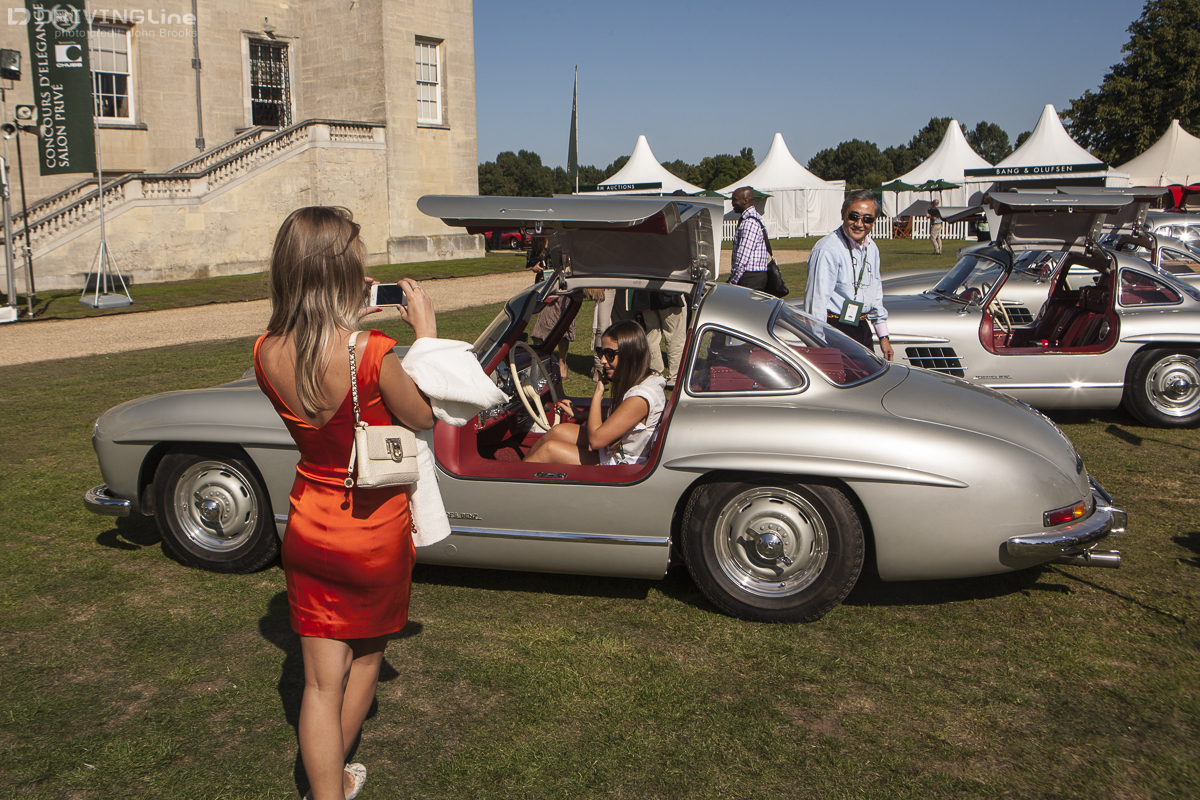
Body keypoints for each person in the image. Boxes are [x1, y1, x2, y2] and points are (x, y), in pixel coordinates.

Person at [253, 207, 437, 800]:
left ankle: (326, 791)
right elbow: (424, 417)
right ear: (341, 269)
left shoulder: (264, 351)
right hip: (374, 526)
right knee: (365, 662)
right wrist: (426, 338)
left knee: (316, 684)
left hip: (308, 520)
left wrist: (340, 320)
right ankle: (329, 786)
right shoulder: (373, 351)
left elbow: (314, 366)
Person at [523, 319, 667, 466]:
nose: (603, 360)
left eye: (610, 354)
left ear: (629, 354)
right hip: (611, 452)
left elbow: (596, 441)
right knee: (557, 431)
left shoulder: (640, 398)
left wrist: (598, 394)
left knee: (549, 450)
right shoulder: (646, 379)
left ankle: (513, 483)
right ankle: (519, 471)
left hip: (620, 466)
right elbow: (619, 418)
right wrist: (579, 414)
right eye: (601, 352)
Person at [803, 189, 894, 361]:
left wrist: (883, 336)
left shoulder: (871, 248)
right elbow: (816, 304)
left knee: (867, 382)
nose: (860, 224)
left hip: (861, 327)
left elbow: (875, 292)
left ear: (874, 221)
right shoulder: (827, 250)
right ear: (843, 214)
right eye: (854, 216)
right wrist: (819, 348)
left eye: (867, 219)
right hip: (834, 330)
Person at [728, 186, 770, 291]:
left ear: (745, 200)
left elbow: (743, 257)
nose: (732, 203)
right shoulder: (754, 217)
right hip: (754, 276)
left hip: (750, 278)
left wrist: (733, 281)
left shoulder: (749, 222)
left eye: (735, 200)